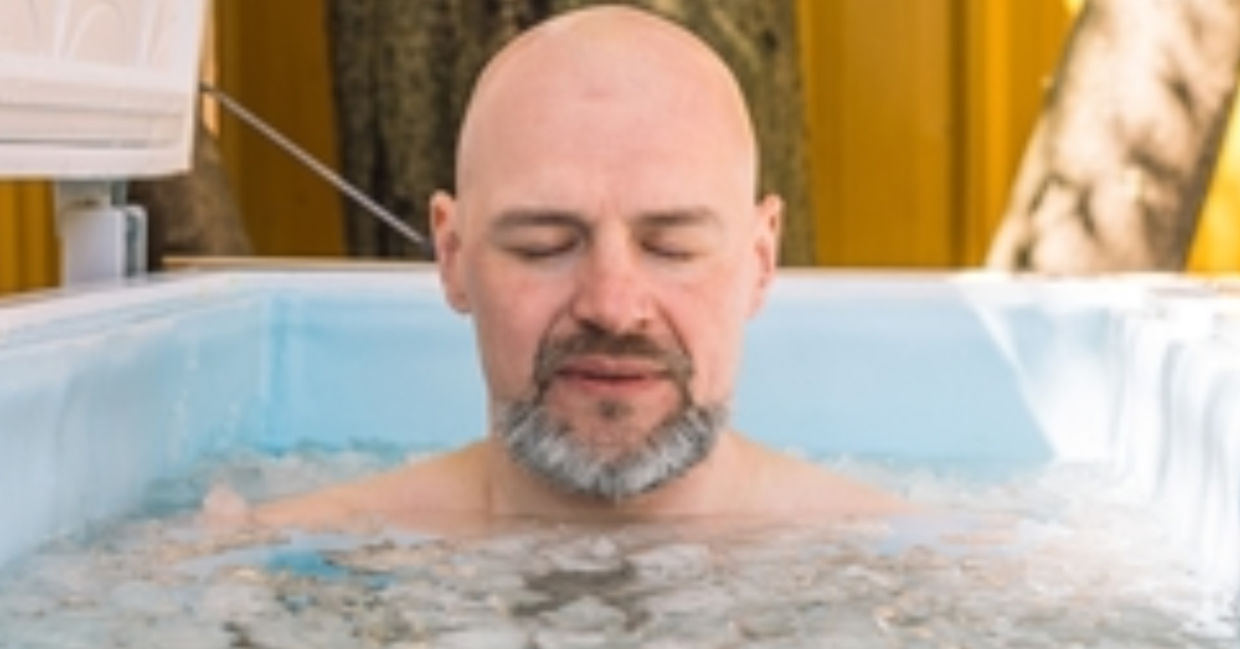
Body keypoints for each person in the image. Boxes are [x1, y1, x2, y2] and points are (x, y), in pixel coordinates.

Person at [235, 4, 906, 531]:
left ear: (760, 260)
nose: (612, 305)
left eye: (670, 246)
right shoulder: (294, 553)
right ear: (453, 256)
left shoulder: (906, 566)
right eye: (544, 245)